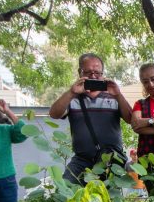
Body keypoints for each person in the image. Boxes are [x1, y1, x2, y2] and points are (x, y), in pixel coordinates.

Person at [49, 53, 132, 185]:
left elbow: (130, 119)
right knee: (66, 192)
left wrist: (118, 95)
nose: (93, 76)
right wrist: (71, 92)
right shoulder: (73, 97)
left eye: (97, 73)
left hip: (111, 160)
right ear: (79, 72)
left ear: (103, 73)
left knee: (110, 201)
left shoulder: (113, 96)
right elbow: (54, 114)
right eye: (88, 72)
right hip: (82, 160)